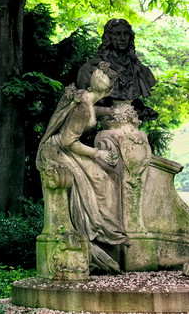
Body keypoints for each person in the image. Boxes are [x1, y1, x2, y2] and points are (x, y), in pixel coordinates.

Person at [37, 62, 131, 273]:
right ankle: (96, 231)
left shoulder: (85, 97)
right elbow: (68, 141)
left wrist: (110, 111)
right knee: (99, 180)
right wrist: (99, 153)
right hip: (59, 151)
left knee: (102, 177)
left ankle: (103, 233)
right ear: (109, 90)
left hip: (66, 147)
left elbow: (93, 109)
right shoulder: (81, 106)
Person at [76, 18, 157, 121]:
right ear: (108, 37)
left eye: (126, 34)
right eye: (117, 34)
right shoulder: (91, 69)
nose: (122, 38)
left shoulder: (142, 71)